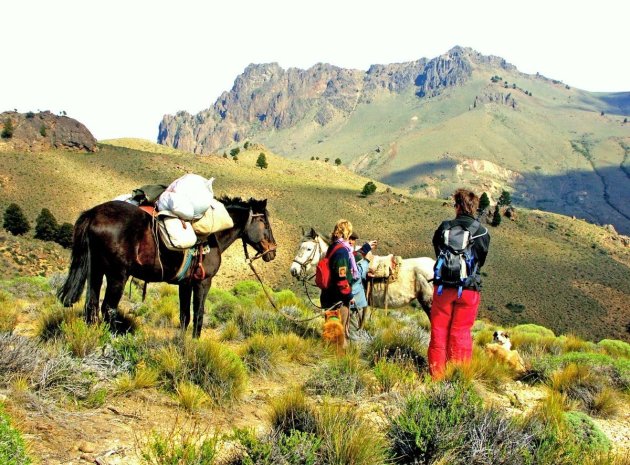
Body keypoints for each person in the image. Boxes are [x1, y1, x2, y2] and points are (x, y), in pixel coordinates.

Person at [428, 188, 490, 379]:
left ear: (457, 206)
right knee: (461, 332)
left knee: (439, 330)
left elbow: (438, 251)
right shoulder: (481, 231)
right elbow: (481, 259)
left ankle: (437, 376)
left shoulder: (444, 227)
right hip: (469, 289)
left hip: (443, 288)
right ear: (474, 207)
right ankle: (459, 376)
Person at [320, 220, 372, 339]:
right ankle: (338, 354)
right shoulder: (342, 251)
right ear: (346, 232)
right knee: (338, 333)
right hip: (338, 299)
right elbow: (341, 277)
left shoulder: (334, 247)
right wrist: (349, 296)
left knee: (331, 330)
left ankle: (330, 352)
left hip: (329, 295)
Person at [348, 232, 376, 331]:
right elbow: (356, 275)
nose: (351, 241)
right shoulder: (347, 254)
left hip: (353, 297)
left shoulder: (349, 253)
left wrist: (366, 247)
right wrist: (366, 262)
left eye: (353, 239)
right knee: (352, 327)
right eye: (349, 239)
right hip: (352, 297)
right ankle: (353, 345)